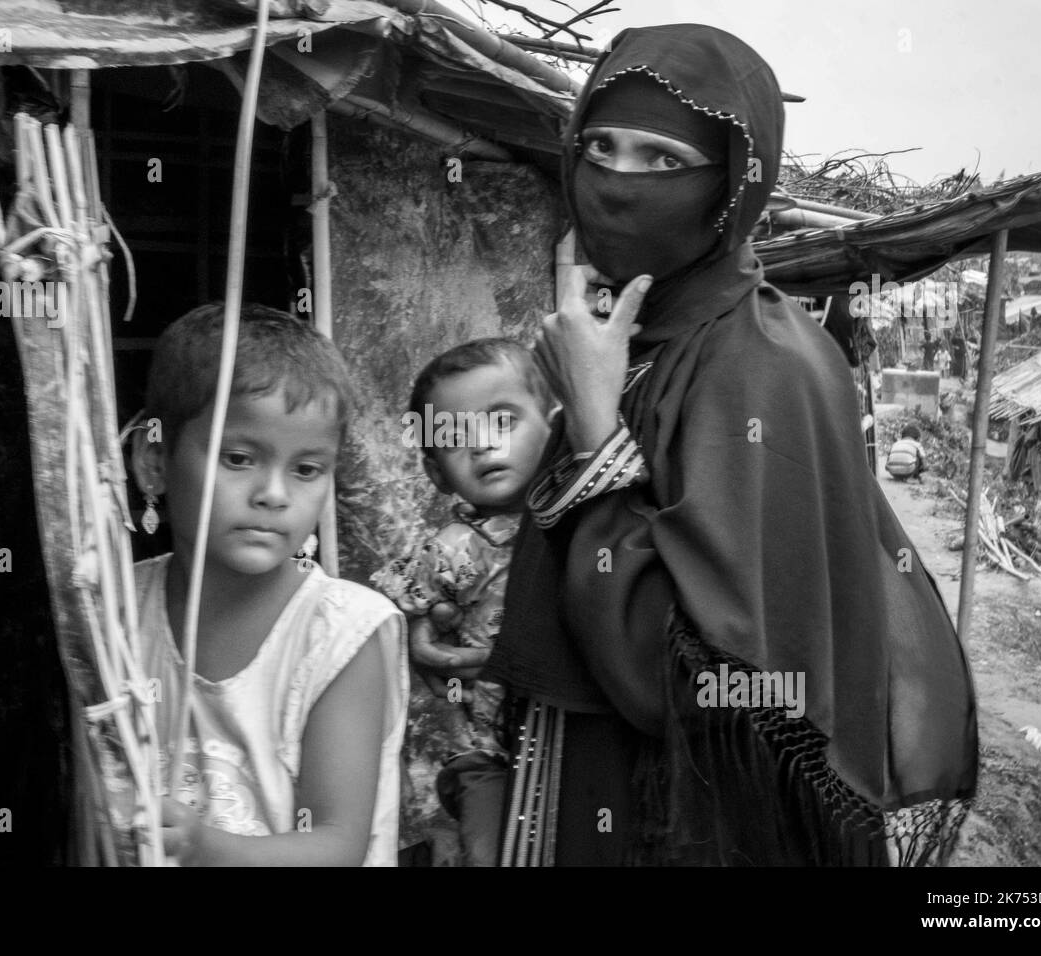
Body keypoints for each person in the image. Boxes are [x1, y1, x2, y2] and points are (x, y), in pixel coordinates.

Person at [413, 23, 977, 866]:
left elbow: (697, 685)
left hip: (687, 827)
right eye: (599, 147)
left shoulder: (766, 366)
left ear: (733, 189)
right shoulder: (636, 338)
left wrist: (597, 426)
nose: (616, 183)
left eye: (662, 160)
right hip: (586, 786)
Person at [129, 303, 409, 866]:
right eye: (239, 458)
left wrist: (202, 847)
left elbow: (336, 845)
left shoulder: (341, 634)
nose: (274, 494)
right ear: (154, 460)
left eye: (306, 469)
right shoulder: (118, 611)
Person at [373, 338, 554, 866]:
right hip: (487, 755)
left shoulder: (584, 525)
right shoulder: (452, 550)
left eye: (502, 422)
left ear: (555, 424)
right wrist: (414, 636)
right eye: (455, 438)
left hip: (572, 740)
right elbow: (384, 616)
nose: (481, 445)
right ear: (435, 473)